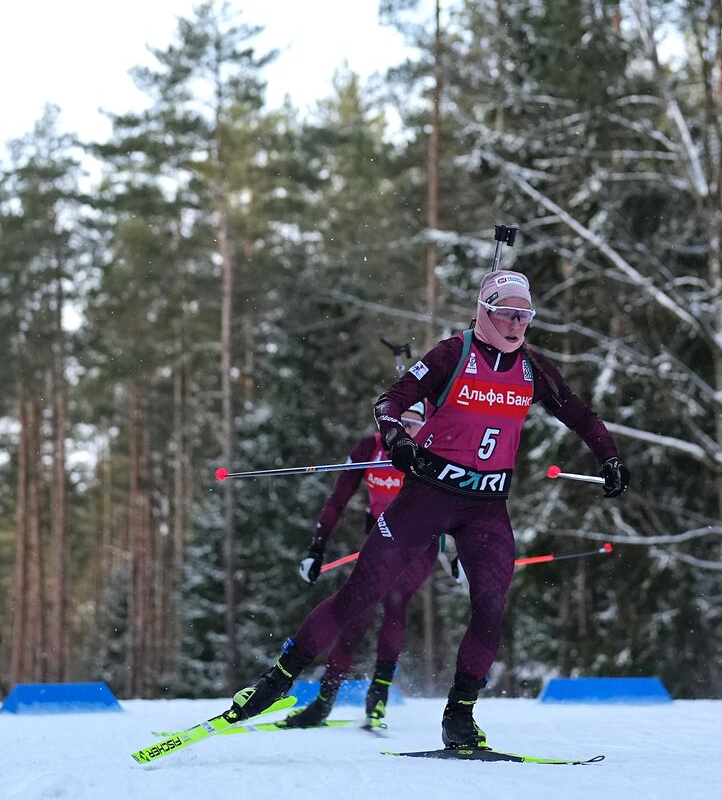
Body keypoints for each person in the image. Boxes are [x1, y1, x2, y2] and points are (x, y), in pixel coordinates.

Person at [220, 269, 630, 750]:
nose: (517, 324)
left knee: (491, 609)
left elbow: (579, 413)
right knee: (360, 596)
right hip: (426, 498)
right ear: (486, 311)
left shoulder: (532, 368)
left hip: (486, 506)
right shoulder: (452, 354)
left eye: (525, 314)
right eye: (507, 313)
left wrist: (609, 457)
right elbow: (390, 401)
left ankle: (459, 716)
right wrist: (396, 439)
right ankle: (275, 682)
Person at [280, 401, 435, 729]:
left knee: (395, 603)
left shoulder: (432, 447)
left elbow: (454, 503)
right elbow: (338, 498)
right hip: (382, 538)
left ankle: (377, 697)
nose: (407, 432)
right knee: (356, 614)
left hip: (421, 543)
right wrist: (316, 548)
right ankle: (323, 702)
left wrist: (457, 556)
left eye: (415, 425)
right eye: (401, 423)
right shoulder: (370, 447)